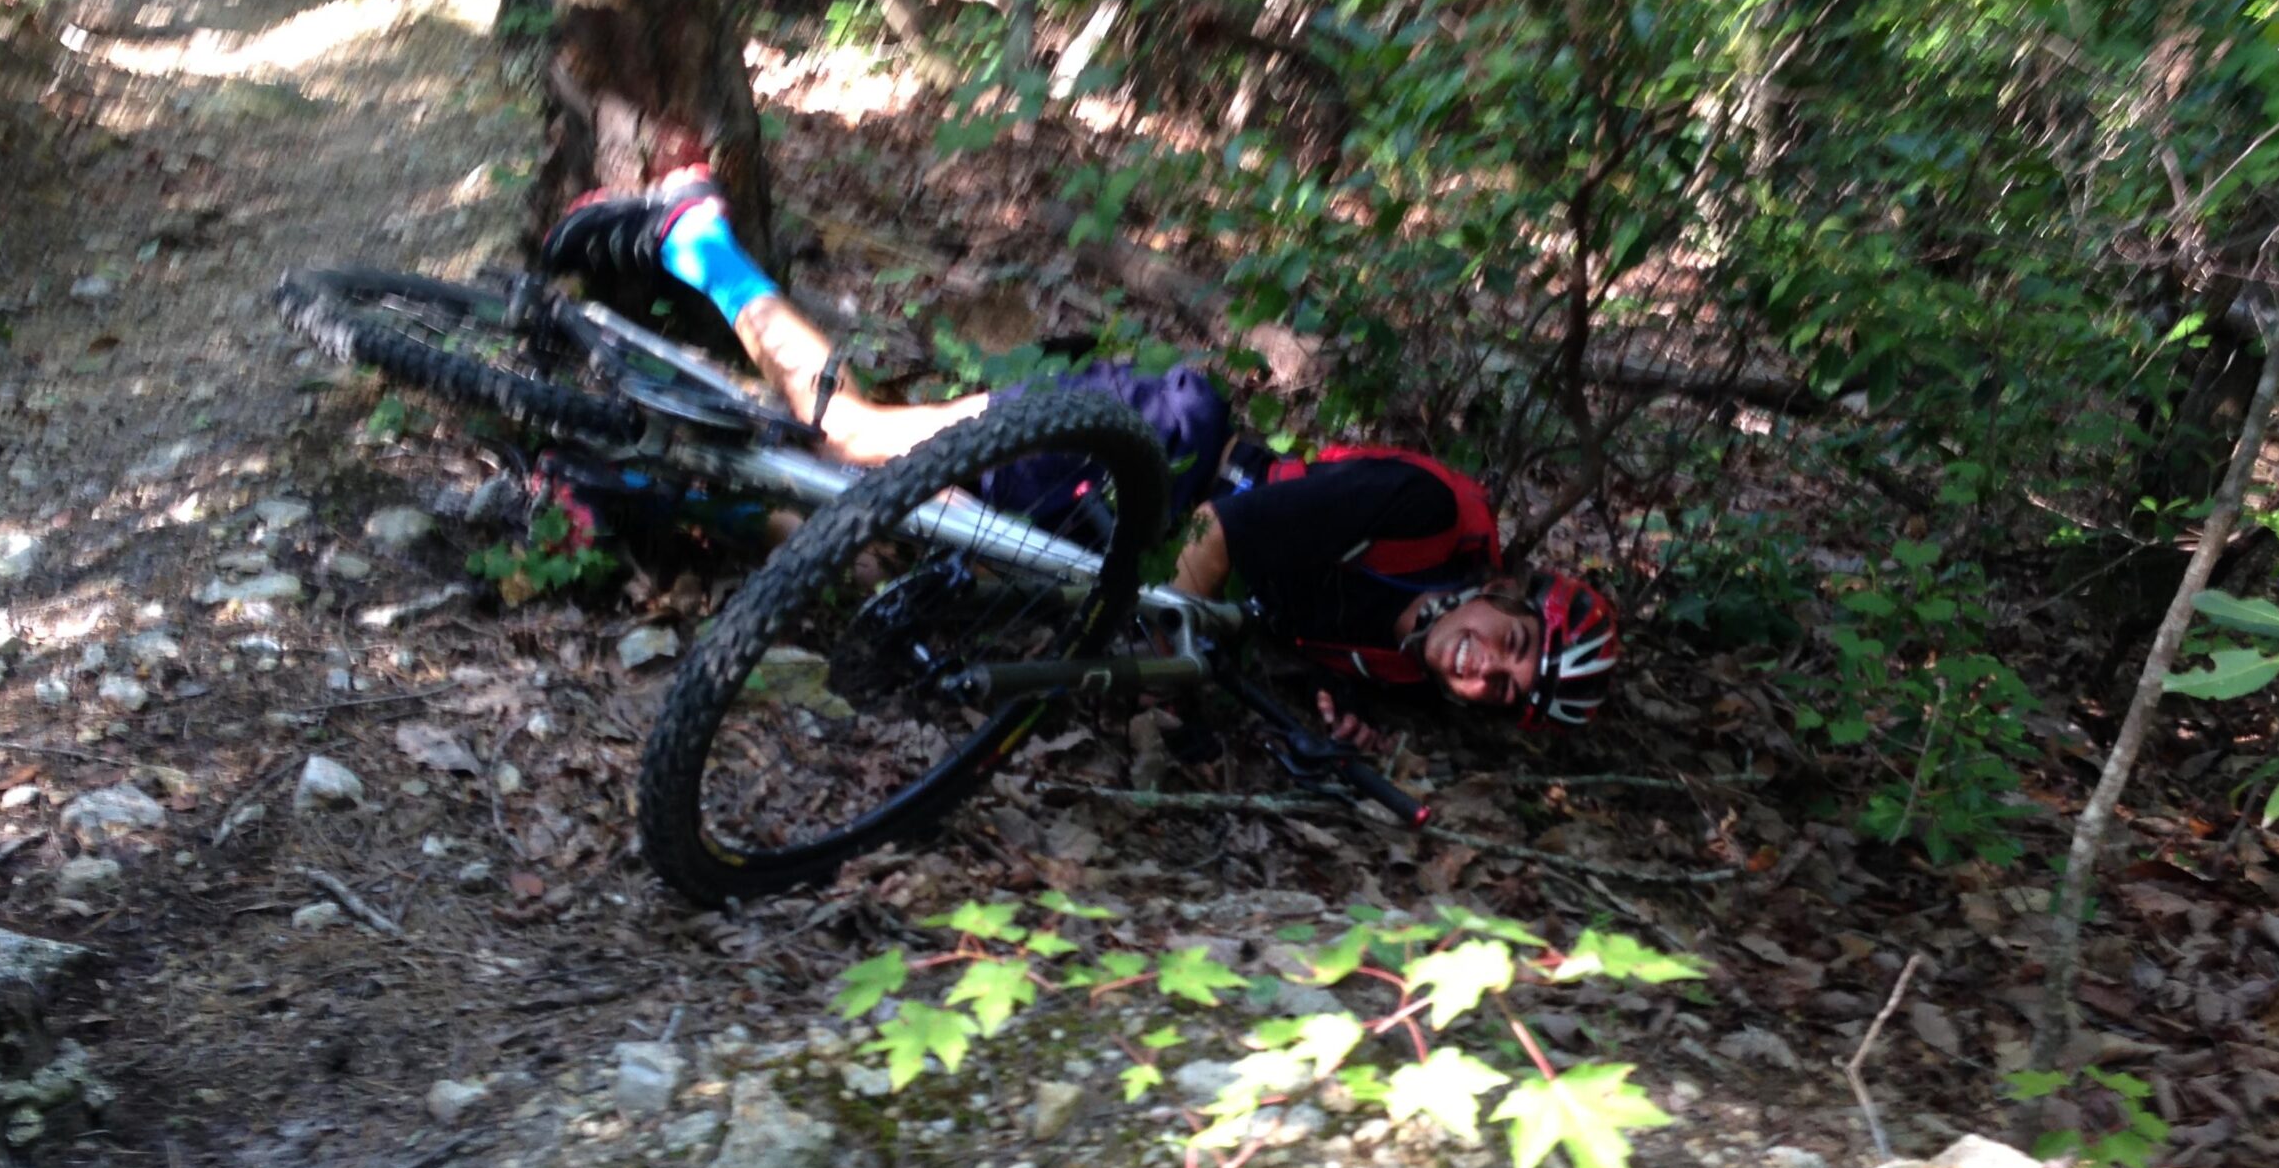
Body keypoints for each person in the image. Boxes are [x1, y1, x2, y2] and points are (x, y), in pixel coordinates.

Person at [542, 167, 1620, 739]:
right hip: (1156, 456)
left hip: (1122, 530)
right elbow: (1218, 543)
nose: (1492, 667)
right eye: (1517, 640)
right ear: (1506, 593)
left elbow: (1251, 625)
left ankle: (628, 487)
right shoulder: (1418, 514)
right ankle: (696, 238)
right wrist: (1142, 675)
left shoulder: (1400, 659)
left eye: (1512, 687)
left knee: (873, 550)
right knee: (858, 438)